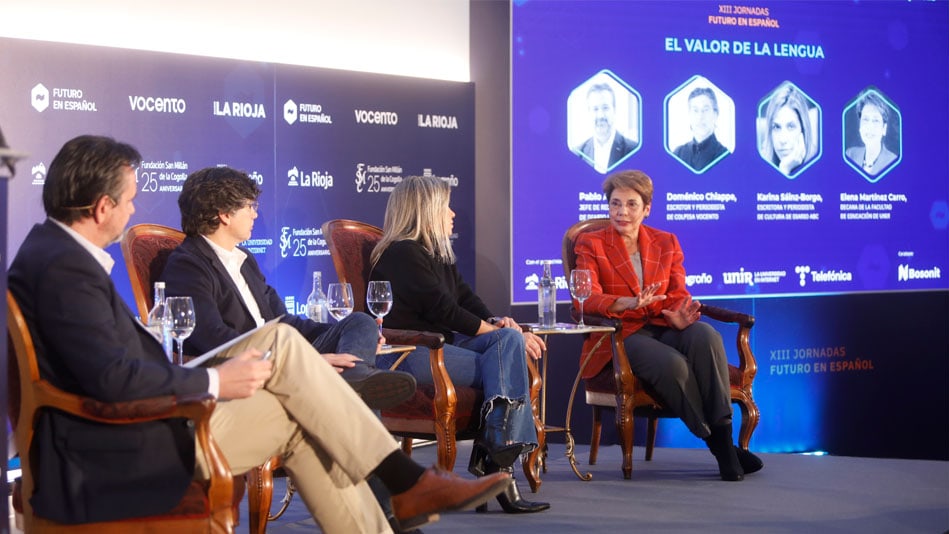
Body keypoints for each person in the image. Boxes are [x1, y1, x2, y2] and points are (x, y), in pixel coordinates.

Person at [8, 135, 510, 532]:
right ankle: (404, 477)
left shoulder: (56, 260)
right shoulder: (63, 271)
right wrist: (214, 384)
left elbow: (110, 368)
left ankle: (399, 485)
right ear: (101, 207)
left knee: (304, 415)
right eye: (130, 201)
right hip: (110, 454)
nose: (134, 211)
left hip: (131, 433)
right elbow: (113, 379)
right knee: (284, 347)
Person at [160, 165, 418, 531]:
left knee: (359, 322)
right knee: (288, 346)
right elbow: (210, 338)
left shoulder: (246, 260)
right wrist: (300, 361)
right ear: (223, 213)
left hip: (282, 350)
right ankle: (389, 496)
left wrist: (323, 345)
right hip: (246, 368)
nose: (255, 213)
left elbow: (286, 321)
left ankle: (353, 379)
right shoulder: (188, 264)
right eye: (249, 206)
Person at [370, 175, 550, 514]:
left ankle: (496, 462)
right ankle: (497, 465)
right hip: (413, 355)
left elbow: (465, 298)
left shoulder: (434, 252)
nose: (452, 214)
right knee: (506, 363)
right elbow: (443, 309)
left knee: (507, 339)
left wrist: (496, 322)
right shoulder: (401, 254)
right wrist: (491, 329)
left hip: (446, 348)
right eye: (446, 207)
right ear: (425, 211)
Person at [573, 169, 764, 482]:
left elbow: (677, 292)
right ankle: (721, 446)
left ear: (646, 208)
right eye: (615, 204)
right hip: (620, 333)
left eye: (631, 204)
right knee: (672, 364)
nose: (622, 212)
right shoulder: (590, 243)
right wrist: (627, 303)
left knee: (706, 335)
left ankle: (721, 435)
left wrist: (677, 313)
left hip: (663, 323)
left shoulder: (666, 241)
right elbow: (586, 299)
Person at [575, 82, 639, 173]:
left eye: (605, 108)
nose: (600, 115)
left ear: (614, 110)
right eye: (595, 109)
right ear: (588, 112)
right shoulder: (578, 153)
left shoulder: (633, 151)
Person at [760, 83, 815, 177]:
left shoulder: (818, 168)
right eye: (776, 127)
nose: (782, 140)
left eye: (791, 127)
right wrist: (784, 169)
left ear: (803, 130)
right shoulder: (760, 168)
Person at [673, 87, 729, 171]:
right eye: (695, 110)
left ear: (715, 114)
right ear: (689, 114)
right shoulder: (678, 154)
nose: (700, 117)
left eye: (705, 110)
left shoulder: (724, 156)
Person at [845, 91, 897, 176]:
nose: (870, 126)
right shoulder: (850, 155)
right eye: (865, 119)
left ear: (884, 128)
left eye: (875, 120)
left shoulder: (893, 162)